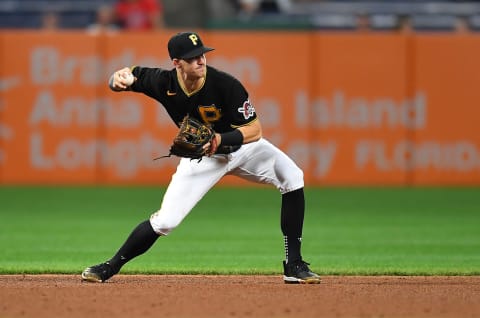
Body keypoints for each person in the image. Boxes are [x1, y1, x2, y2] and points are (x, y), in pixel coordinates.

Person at [81, 31, 320, 284]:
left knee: (292, 176)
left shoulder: (226, 85)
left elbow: (254, 131)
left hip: (242, 148)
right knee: (166, 221)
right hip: (203, 159)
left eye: (202, 55)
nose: (201, 60)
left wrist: (219, 139)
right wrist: (116, 79)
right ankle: (109, 266)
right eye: (192, 57)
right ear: (177, 63)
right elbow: (126, 77)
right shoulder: (164, 82)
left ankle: (293, 265)